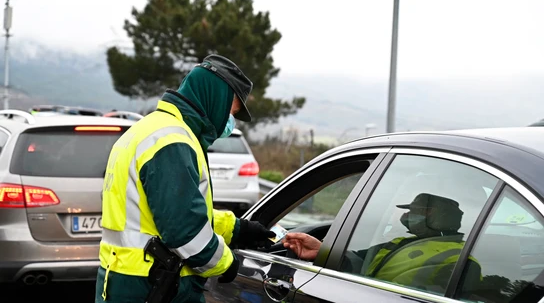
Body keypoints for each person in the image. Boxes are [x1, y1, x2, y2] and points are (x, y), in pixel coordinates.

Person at [96, 54, 275, 303]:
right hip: (150, 284)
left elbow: (173, 211)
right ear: (215, 98)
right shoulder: (172, 140)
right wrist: (228, 263)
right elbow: (185, 232)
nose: (228, 121)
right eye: (229, 111)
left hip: (126, 278)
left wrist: (237, 228)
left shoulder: (152, 129)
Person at [283, 193, 482, 292]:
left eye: (413, 210)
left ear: (431, 215)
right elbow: (358, 262)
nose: (406, 215)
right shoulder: (401, 242)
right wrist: (321, 251)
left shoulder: (461, 261)